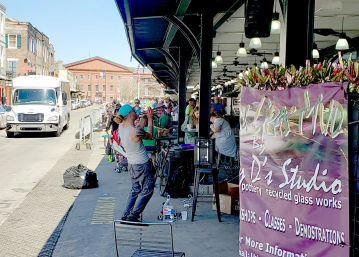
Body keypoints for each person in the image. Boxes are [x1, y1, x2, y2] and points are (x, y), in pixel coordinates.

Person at [117, 104, 155, 222]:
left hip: (132, 164)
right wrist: (150, 119)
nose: (135, 112)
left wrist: (141, 121)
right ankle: (133, 215)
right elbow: (149, 135)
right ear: (129, 114)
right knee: (147, 190)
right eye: (134, 111)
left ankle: (126, 214)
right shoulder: (135, 131)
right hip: (142, 164)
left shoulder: (121, 127)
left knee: (135, 190)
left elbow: (133, 128)